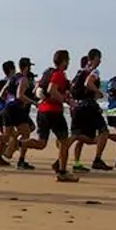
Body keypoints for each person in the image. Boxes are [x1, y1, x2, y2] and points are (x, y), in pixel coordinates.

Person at [35, 49, 78, 182]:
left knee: (41, 143)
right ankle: (62, 172)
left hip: (42, 110)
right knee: (64, 142)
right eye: (68, 60)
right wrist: (66, 101)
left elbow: (38, 88)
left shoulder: (48, 72)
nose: (69, 62)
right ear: (64, 61)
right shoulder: (59, 74)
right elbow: (51, 90)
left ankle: (17, 144)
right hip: (53, 112)